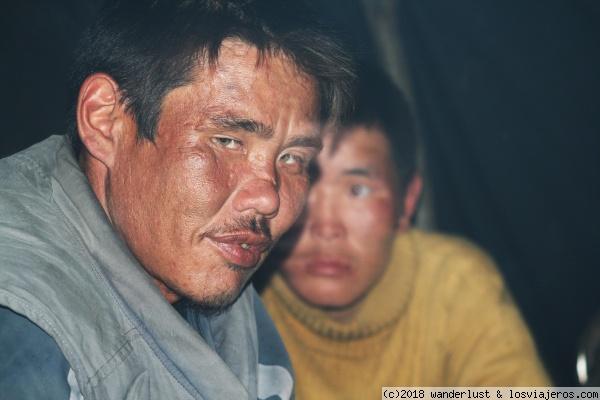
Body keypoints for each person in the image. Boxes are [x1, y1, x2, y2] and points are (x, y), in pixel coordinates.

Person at [0, 0, 355, 398]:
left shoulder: (215, 279)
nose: (268, 198)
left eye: (292, 159)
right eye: (227, 141)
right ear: (104, 121)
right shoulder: (20, 326)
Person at [257, 64, 551, 398]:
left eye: (358, 191)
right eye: (306, 184)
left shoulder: (454, 286)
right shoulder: (240, 300)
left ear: (407, 203)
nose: (327, 227)